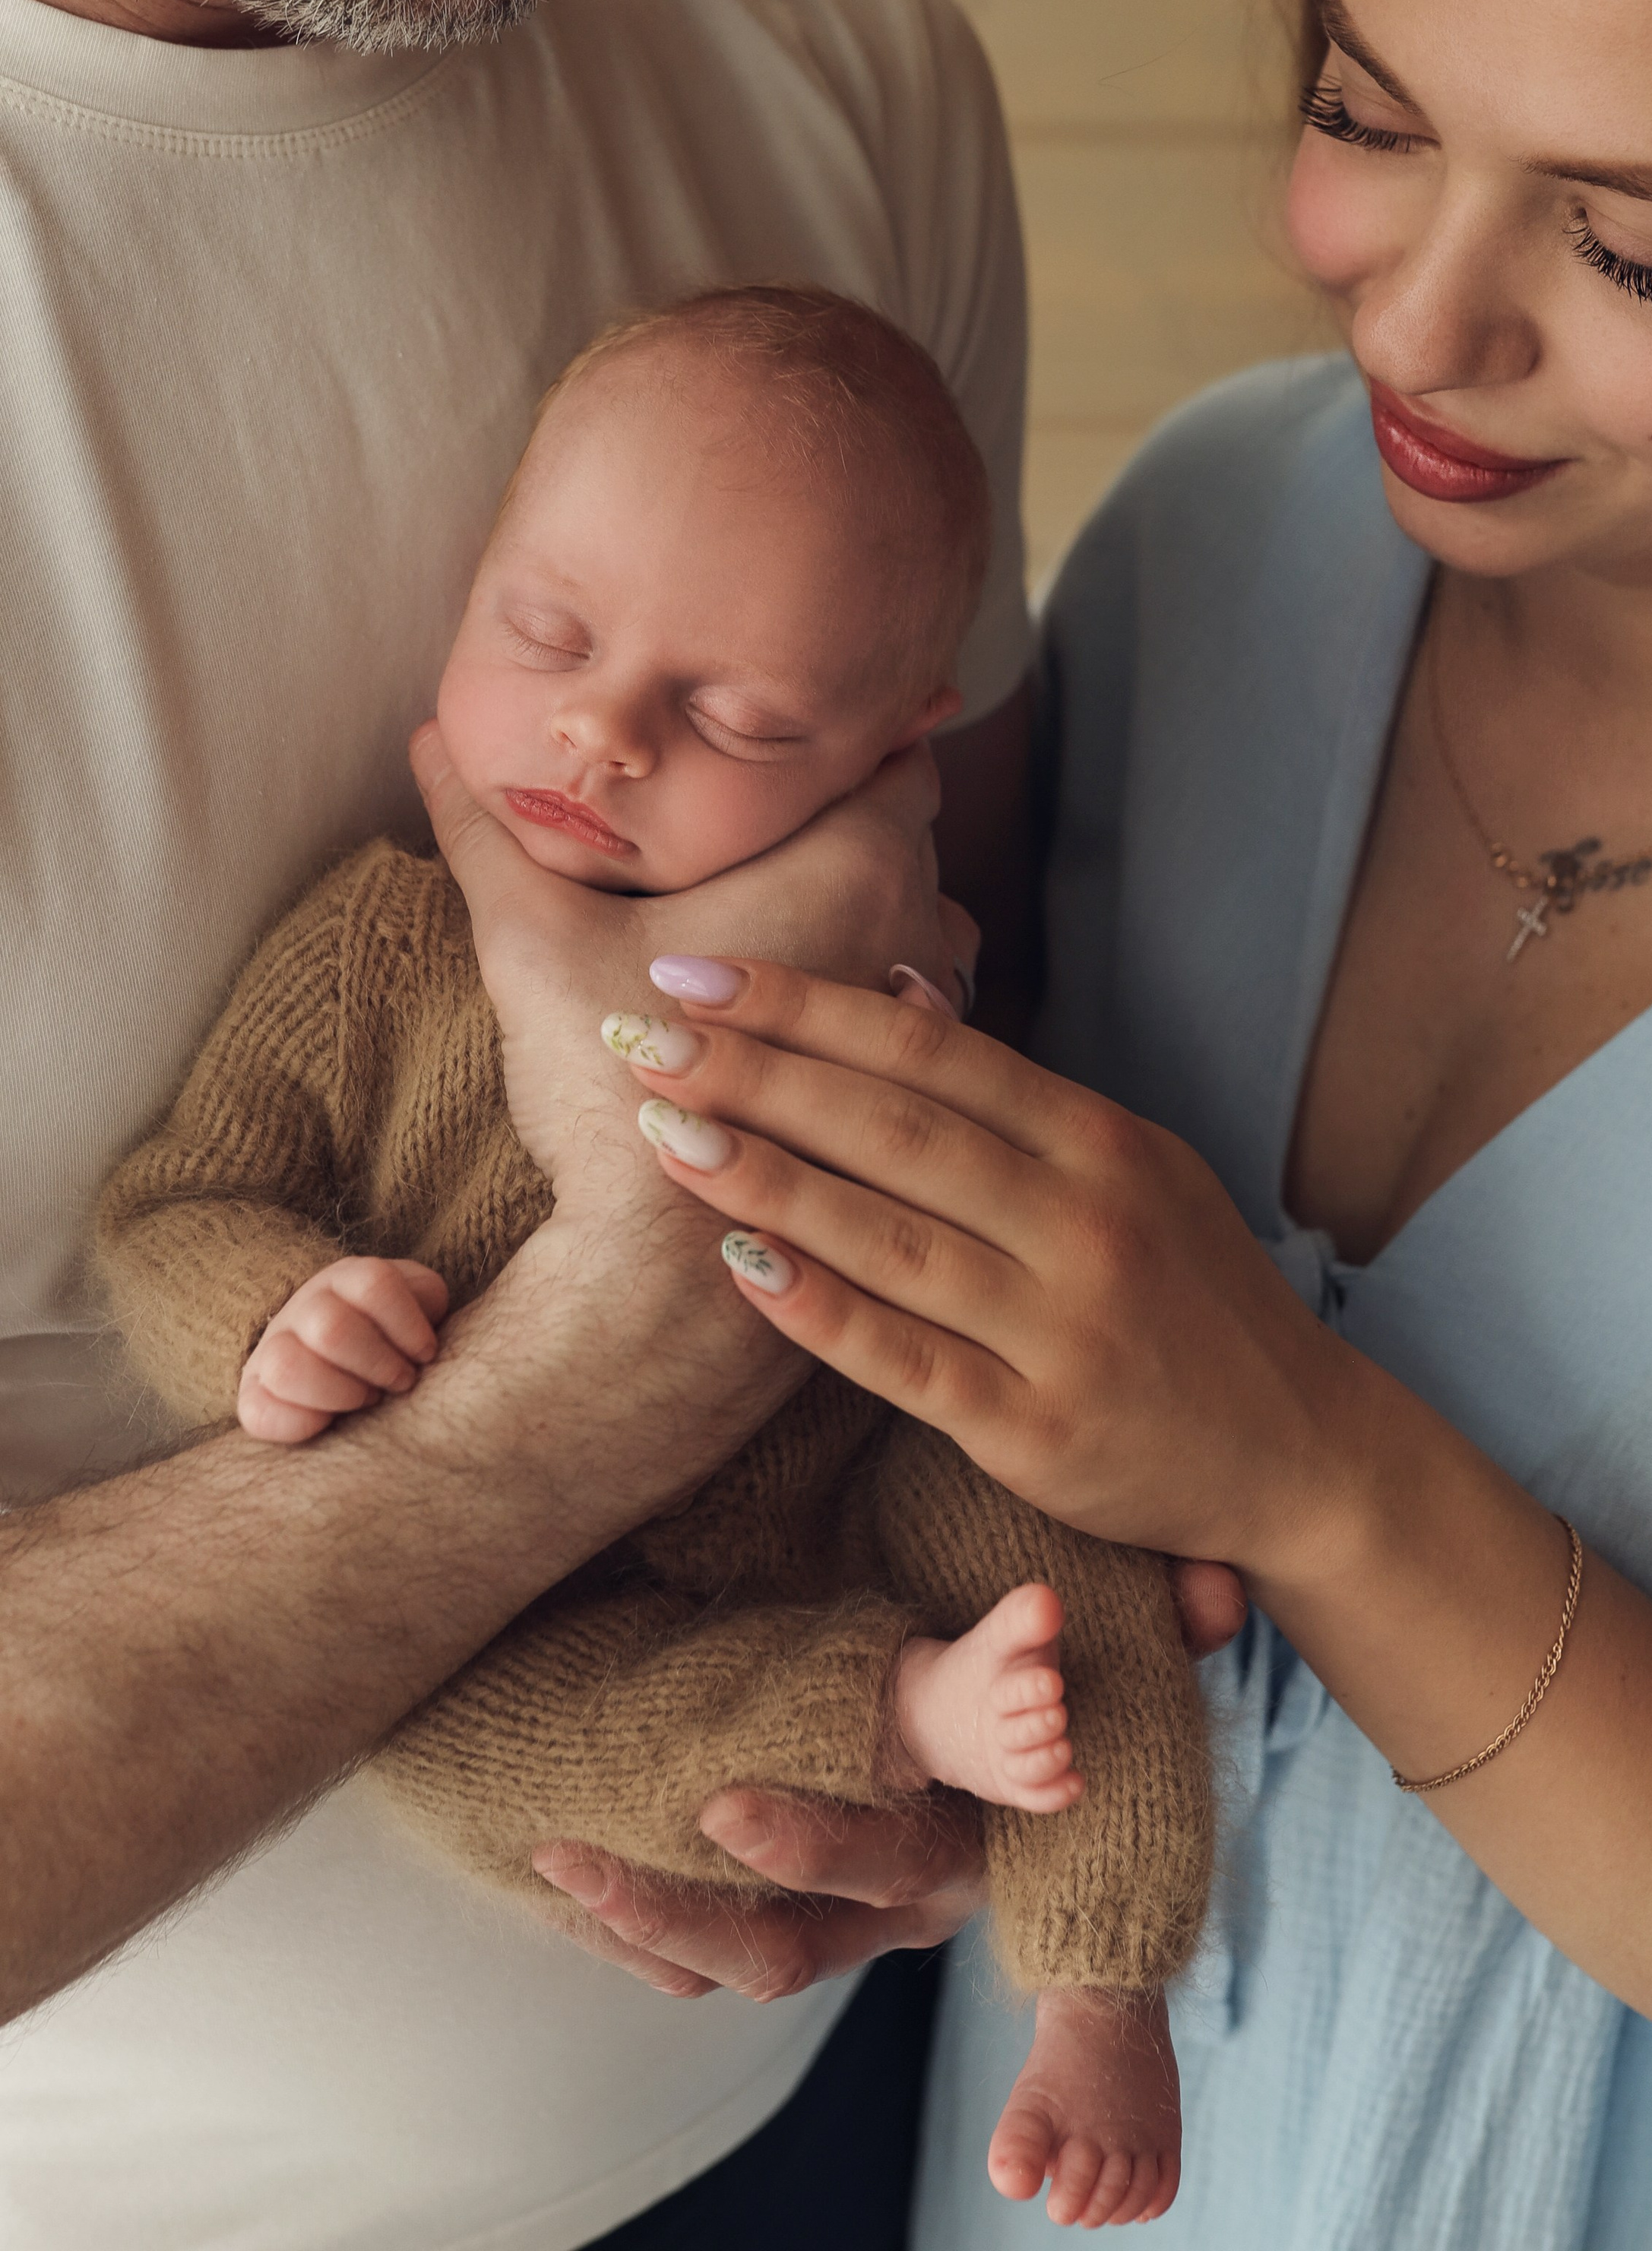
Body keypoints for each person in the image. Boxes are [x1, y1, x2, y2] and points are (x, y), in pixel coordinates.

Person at [549, 0, 1652, 2240]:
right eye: (1360, 111)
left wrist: (1303, 1454)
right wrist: (869, 1778)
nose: (1417, 335)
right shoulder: (1217, 557)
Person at [0, 0, 1096, 2245]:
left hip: (820, 2139)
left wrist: (944, 1738)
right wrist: (604, 1370)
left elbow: (980, 1036)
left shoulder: (836, 73)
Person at [97, 288, 1208, 2232]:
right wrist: (273, 1312)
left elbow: (982, 1208)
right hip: (510, 1618)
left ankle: (1099, 1994)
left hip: (855, 1461)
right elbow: (182, 1201)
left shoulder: (883, 955)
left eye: (739, 720)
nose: (600, 733)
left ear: (890, 749)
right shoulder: (378, 947)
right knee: (444, 1735)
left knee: (1068, 1536)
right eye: (547, 633)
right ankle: (894, 1714)